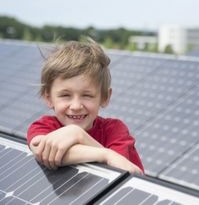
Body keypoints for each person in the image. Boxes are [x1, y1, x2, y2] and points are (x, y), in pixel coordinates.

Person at [27, 39, 144, 174]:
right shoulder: (44, 127)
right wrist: (106, 155)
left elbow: (120, 170)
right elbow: (44, 152)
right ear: (48, 98)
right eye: (65, 95)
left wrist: (78, 135)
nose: (76, 106)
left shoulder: (115, 130)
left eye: (87, 95)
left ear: (105, 97)